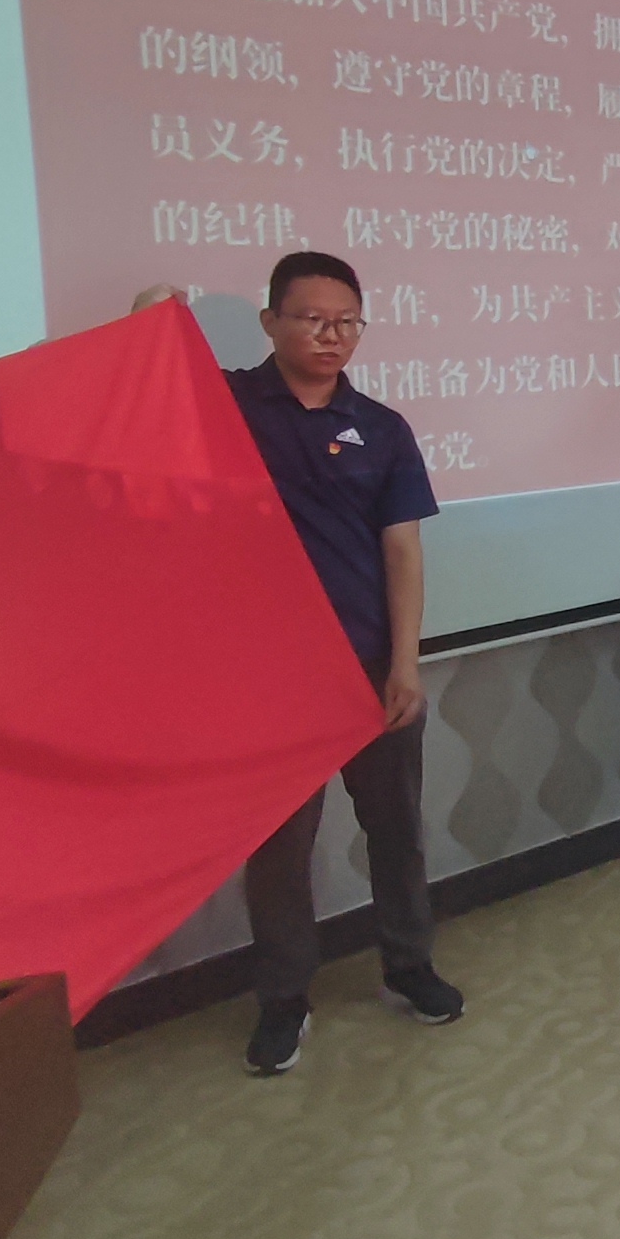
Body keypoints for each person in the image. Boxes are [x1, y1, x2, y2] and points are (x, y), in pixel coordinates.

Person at [228, 252, 464, 1077]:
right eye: (312, 320)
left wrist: (406, 664)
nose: (331, 336)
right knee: (278, 850)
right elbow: (141, 385)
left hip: (370, 664)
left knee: (395, 828)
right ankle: (284, 1000)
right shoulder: (227, 406)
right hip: (271, 677)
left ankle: (409, 965)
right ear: (271, 323)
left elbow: (402, 552)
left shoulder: (383, 427)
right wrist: (151, 310)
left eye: (347, 323)